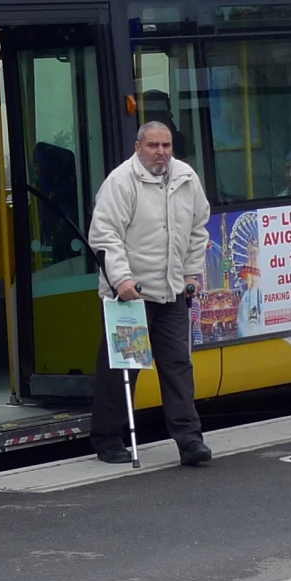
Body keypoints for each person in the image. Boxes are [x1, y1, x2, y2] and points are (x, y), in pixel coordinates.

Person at [85, 120, 213, 467]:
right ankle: (107, 438)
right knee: (123, 370)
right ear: (138, 147)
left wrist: (191, 273)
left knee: (177, 366)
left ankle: (189, 440)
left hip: (172, 292)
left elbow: (198, 229)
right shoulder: (120, 182)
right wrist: (121, 280)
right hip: (130, 295)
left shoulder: (186, 178)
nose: (161, 153)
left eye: (166, 146)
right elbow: (105, 235)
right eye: (154, 146)